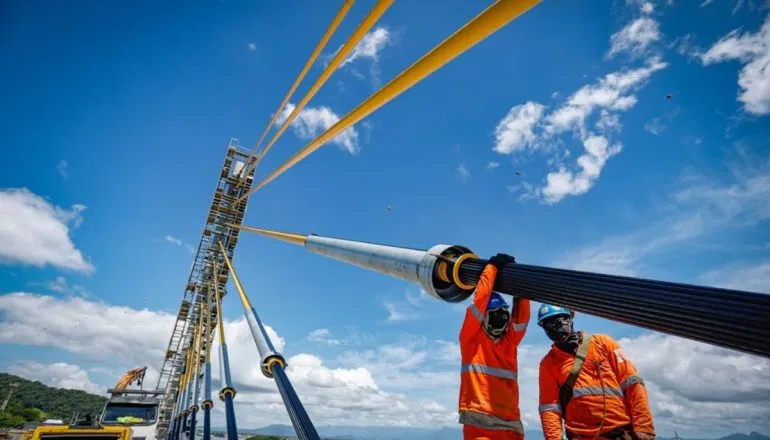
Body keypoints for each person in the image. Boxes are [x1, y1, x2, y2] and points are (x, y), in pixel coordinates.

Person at [536, 305, 655, 440]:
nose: (554, 328)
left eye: (557, 322)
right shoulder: (548, 363)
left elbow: (632, 384)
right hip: (580, 436)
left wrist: (644, 427)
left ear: (569, 319)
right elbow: (550, 408)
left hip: (620, 433)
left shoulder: (603, 343)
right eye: (548, 325)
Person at [459, 253, 531, 440]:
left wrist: (518, 279)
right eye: (495, 312)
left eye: (503, 312)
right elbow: (480, 301)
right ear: (484, 316)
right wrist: (491, 268)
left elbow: (521, 315)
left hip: (510, 423)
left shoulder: (510, 341)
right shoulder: (471, 339)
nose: (501, 316)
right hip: (480, 424)